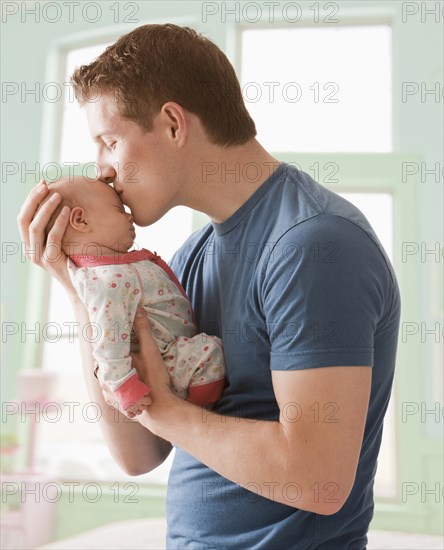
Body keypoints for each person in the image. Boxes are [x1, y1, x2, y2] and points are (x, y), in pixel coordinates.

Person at [18, 24, 401, 549]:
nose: (102, 171)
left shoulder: (314, 245)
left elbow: (320, 479)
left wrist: (168, 411)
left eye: (109, 141)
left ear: (173, 123)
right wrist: (83, 289)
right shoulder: (187, 262)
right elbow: (138, 453)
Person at [40, 176, 226, 416]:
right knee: (210, 351)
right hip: (169, 360)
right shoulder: (106, 280)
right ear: (81, 219)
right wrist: (123, 386)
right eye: (119, 209)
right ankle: (200, 413)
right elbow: (108, 339)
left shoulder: (111, 270)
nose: (129, 216)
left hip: (172, 353)